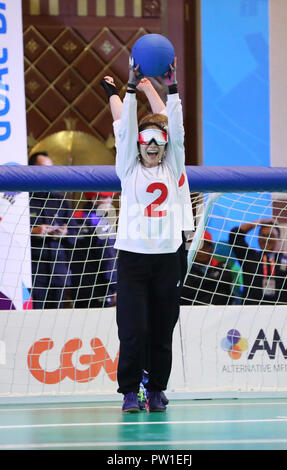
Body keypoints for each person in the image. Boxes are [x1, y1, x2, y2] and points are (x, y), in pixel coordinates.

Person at [100, 56, 190, 413]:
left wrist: (172, 88)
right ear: (138, 143)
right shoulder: (128, 169)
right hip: (134, 260)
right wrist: (130, 87)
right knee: (133, 330)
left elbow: (176, 129)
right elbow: (124, 127)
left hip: (168, 257)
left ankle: (156, 389)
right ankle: (128, 391)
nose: (152, 145)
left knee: (162, 331)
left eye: (159, 140)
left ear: (166, 145)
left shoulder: (173, 165)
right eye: (146, 139)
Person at [29, 152, 79, 309]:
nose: (49, 173)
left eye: (51, 169)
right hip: (34, 274)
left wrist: (65, 233)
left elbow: (75, 235)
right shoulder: (24, 198)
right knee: (33, 320)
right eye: (44, 169)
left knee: (57, 320)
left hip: (59, 272)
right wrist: (33, 231)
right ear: (32, 170)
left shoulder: (60, 199)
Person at [229, 219, 287, 304]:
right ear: (258, 240)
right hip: (251, 313)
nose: (266, 239)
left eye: (270, 235)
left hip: (282, 314)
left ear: (279, 239)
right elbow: (235, 235)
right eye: (263, 235)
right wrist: (261, 222)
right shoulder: (250, 258)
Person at [71, 191, 117, 308]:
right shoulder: (101, 222)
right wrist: (114, 287)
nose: (109, 201)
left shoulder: (76, 216)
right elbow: (108, 256)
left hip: (77, 286)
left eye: (110, 197)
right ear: (94, 199)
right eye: (106, 197)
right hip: (99, 287)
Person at [181, 230, 234, 305]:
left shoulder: (223, 267)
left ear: (211, 248)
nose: (198, 250)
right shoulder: (183, 269)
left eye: (202, 245)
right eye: (193, 246)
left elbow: (222, 294)